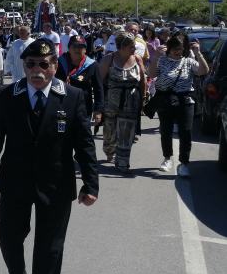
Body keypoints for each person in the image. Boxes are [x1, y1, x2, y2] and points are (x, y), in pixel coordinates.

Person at [0, 38, 98, 274]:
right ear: (24, 66)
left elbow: (84, 144)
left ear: (55, 66)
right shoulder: (8, 95)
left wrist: (91, 183)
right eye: (31, 64)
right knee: (8, 236)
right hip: (16, 182)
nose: (37, 70)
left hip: (56, 184)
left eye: (44, 64)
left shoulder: (72, 97)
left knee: (50, 247)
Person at [148, 34, 209, 177]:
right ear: (169, 48)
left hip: (185, 100)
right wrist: (156, 55)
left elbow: (203, 71)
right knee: (166, 130)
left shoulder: (188, 61)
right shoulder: (162, 60)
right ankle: (167, 158)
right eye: (175, 49)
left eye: (181, 49)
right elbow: (150, 73)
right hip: (165, 100)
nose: (178, 52)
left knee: (186, 132)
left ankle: (184, 163)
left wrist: (198, 52)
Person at [98, 33, 145, 174]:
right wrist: (98, 105)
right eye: (131, 46)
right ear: (122, 47)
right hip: (111, 103)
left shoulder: (137, 59)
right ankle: (109, 151)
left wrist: (143, 99)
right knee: (109, 134)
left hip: (131, 103)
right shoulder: (109, 59)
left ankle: (122, 163)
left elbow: (142, 80)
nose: (134, 48)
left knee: (126, 133)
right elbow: (99, 82)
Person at [57, 36, 104, 134]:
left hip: (83, 107)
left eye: (81, 47)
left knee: (84, 136)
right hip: (61, 107)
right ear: (69, 48)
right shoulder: (58, 63)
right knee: (61, 135)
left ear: (85, 50)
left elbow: (98, 88)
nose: (77, 49)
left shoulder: (92, 65)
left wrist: (98, 110)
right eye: (74, 46)